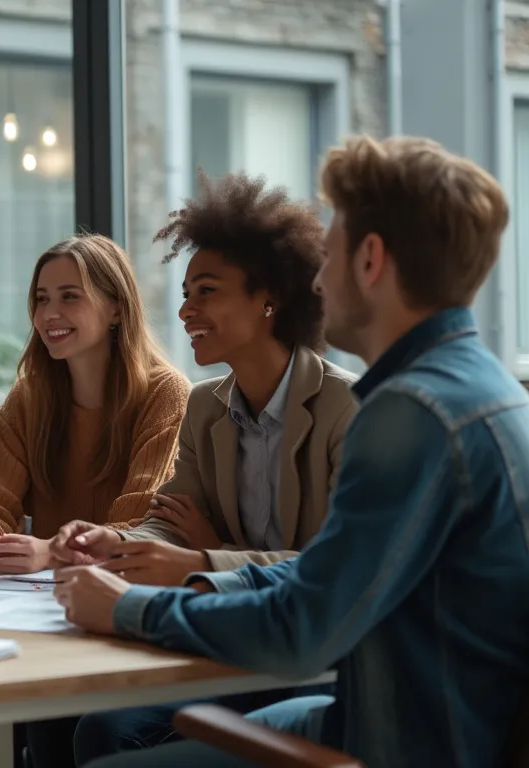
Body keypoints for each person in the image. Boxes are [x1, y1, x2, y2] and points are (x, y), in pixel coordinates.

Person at [55, 135, 529, 768]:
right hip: (407, 712)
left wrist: (133, 608)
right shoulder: (482, 385)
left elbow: (305, 628)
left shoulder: (407, 414)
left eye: (327, 255)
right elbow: (323, 573)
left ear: (370, 261)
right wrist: (196, 577)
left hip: (402, 742)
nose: (317, 279)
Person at [31, 173, 355, 767]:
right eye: (185, 292)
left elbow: (333, 570)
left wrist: (207, 559)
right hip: (220, 634)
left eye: (205, 291)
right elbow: (172, 518)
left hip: (308, 657)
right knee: (71, 719)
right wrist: (118, 541)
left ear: (269, 299)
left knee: (105, 731)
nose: (185, 310)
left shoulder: (349, 410)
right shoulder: (207, 405)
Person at [0, 235, 190, 574]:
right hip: (44, 594)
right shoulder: (28, 398)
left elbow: (141, 528)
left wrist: (53, 552)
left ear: (116, 307)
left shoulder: (166, 394)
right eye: (41, 299)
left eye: (69, 297)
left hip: (127, 590)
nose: (49, 314)